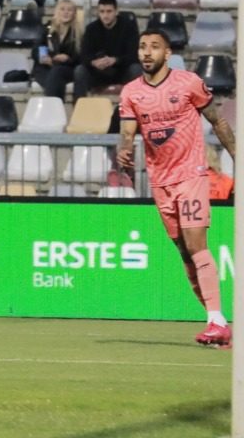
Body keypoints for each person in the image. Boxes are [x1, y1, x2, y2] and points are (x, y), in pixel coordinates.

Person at [118, 27, 238, 346]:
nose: (147, 52)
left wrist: (237, 156)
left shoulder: (188, 83)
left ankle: (216, 320)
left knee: (196, 244)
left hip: (191, 174)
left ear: (168, 53)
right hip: (161, 181)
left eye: (154, 46)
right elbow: (127, 132)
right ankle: (218, 324)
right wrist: (124, 150)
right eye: (142, 46)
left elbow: (218, 121)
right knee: (184, 252)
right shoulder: (131, 92)